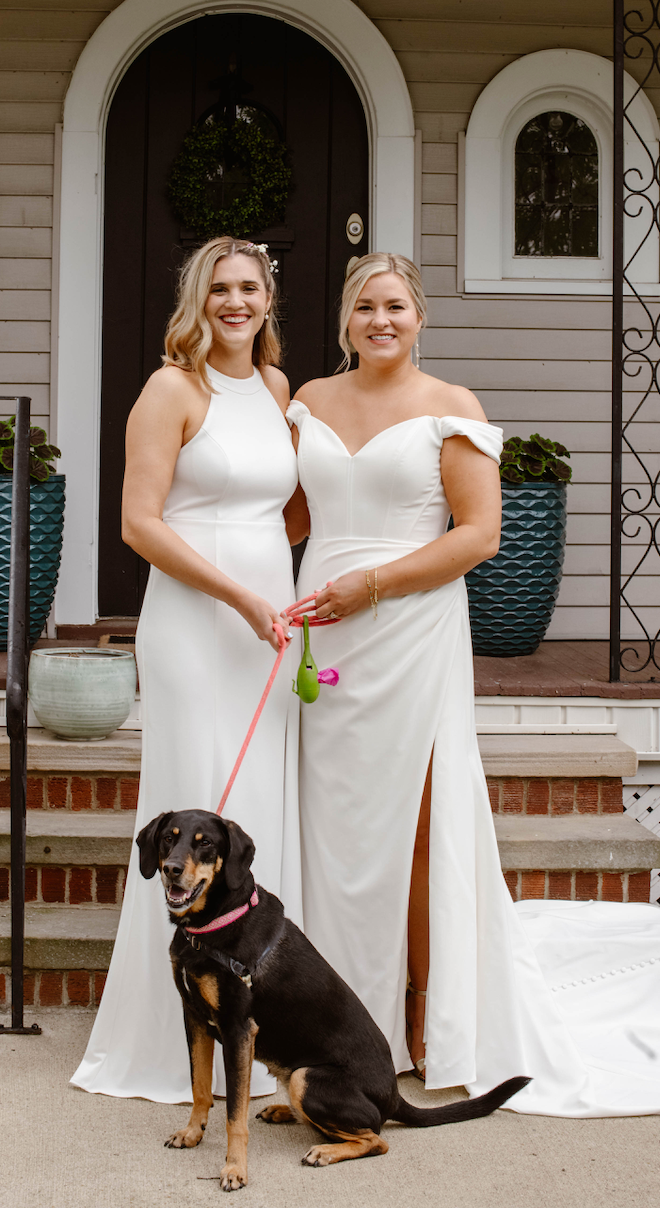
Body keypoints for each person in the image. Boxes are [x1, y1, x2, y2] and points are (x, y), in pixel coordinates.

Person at [286, 252, 660, 1116]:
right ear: (346, 320)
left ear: (420, 318)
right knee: (333, 829)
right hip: (324, 631)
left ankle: (421, 1017)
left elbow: (480, 535)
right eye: (366, 308)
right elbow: (291, 514)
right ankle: (339, 1019)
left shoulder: (452, 408)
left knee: (415, 825)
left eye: (397, 307)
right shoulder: (308, 402)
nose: (382, 321)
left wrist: (370, 585)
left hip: (408, 626)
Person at [72, 237, 307, 1102]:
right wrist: (239, 595)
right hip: (193, 621)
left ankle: (251, 1019)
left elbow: (276, 517)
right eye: (220, 289)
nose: (235, 303)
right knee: (193, 799)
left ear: (269, 299)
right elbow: (141, 523)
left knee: (256, 811)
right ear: (195, 300)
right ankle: (167, 1042)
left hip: (262, 626)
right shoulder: (171, 389)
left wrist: (282, 599)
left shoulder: (279, 390)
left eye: (250, 288)